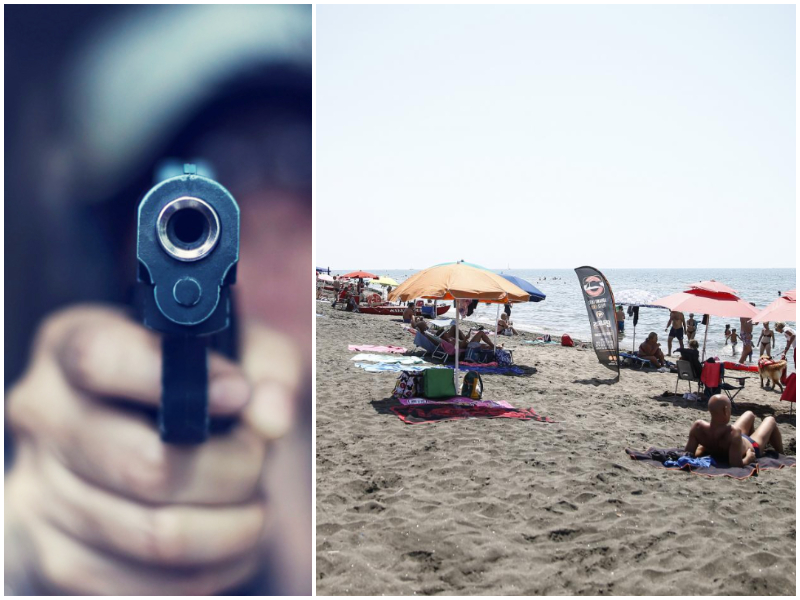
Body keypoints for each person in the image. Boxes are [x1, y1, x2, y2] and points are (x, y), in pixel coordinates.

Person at [5, 6, 312, 594]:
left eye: (301, 157)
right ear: (120, 243)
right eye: (226, 166)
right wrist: (23, 549)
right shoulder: (64, 474)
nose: (271, 214)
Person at [684, 395, 783, 467]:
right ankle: (781, 453)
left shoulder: (698, 427)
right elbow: (736, 464)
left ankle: (753, 435)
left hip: (735, 440)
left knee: (749, 414)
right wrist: (748, 458)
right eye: (730, 409)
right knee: (770, 420)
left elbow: (688, 453)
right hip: (752, 446)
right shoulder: (733, 433)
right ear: (726, 410)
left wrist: (703, 449)